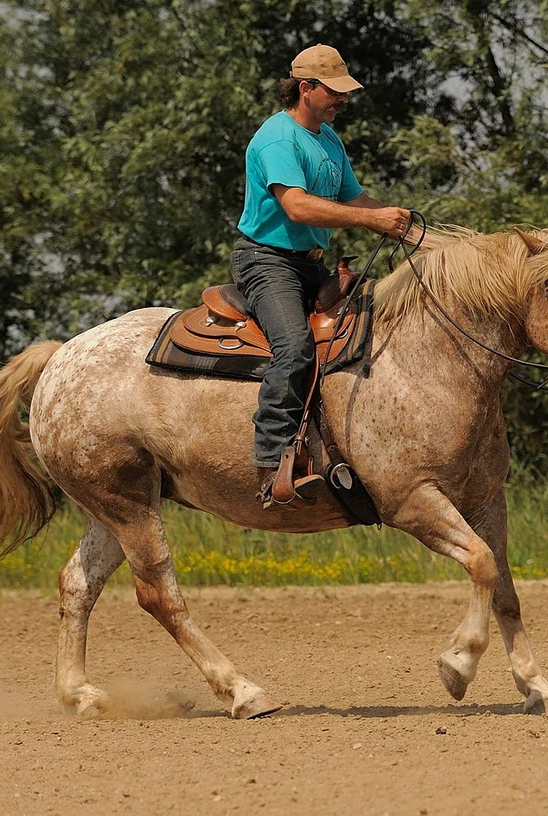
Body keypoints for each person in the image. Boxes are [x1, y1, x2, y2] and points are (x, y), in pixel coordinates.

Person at [231, 44, 410, 509]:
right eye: (334, 92)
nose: (343, 101)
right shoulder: (277, 138)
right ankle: (272, 467)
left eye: (345, 93)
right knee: (294, 345)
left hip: (310, 264)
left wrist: (416, 232)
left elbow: (355, 200)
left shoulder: (328, 139)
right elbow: (296, 205)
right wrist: (371, 222)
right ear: (305, 88)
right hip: (267, 262)